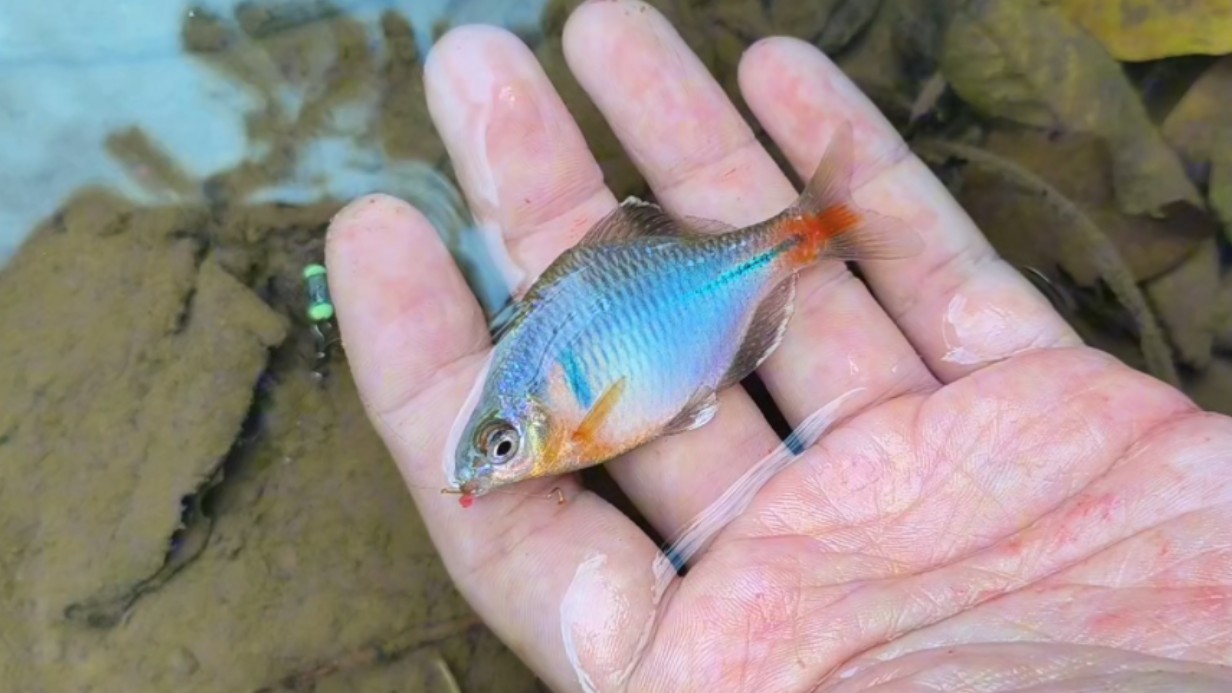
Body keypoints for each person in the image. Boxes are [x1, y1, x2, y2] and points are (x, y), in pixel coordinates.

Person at [324, 1, 1232, 690]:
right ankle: (810, 228)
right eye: (501, 449)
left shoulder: (562, 410)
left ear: (528, 422)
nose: (502, 462)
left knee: (795, 234)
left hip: (688, 313)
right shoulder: (534, 378)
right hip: (684, 326)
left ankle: (809, 229)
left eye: (505, 446)